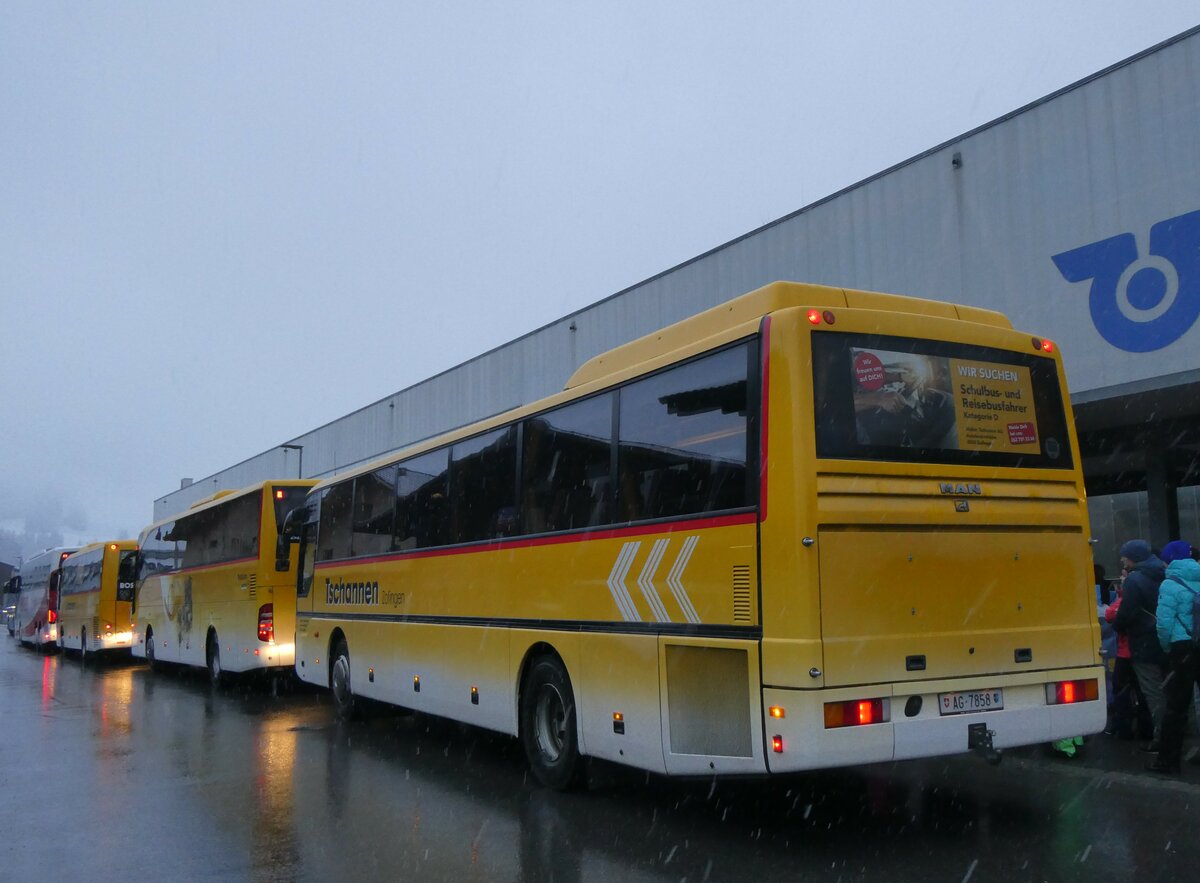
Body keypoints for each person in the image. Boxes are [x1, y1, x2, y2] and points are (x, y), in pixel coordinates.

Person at [1146, 540, 1200, 774]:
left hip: (1182, 647)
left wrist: (1168, 648)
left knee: (1176, 707)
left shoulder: (1169, 584)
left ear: (1170, 559)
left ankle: (1168, 760)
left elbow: (1164, 625)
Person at [1112, 539, 1167, 750]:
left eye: (1124, 556)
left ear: (1133, 557)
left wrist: (1117, 625)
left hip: (1144, 642)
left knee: (1152, 691)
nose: (1122, 560)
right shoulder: (1163, 572)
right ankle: (1175, 733)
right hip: (1164, 639)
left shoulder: (1135, 580)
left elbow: (1127, 612)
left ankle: (1163, 737)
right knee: (1167, 688)